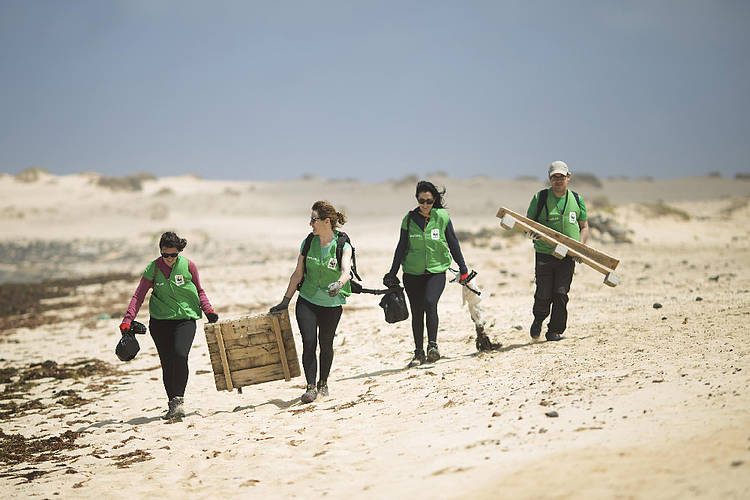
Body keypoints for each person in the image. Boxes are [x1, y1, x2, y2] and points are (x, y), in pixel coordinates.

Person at [120, 231, 218, 419]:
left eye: (174, 255)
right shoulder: (153, 268)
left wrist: (209, 311)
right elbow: (138, 295)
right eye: (166, 255)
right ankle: (173, 404)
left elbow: (199, 290)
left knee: (180, 355)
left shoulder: (188, 266)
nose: (170, 259)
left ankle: (179, 400)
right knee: (167, 363)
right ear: (161, 252)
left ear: (178, 252)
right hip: (160, 322)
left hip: (185, 319)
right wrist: (127, 319)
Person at [270, 201, 352, 404]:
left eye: (313, 220)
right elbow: (298, 273)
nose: (310, 224)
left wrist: (338, 284)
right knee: (309, 343)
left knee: (326, 344)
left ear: (326, 221)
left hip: (331, 305)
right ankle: (311, 387)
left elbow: (346, 272)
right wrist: (285, 301)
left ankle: (323, 382)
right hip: (307, 299)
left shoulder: (342, 245)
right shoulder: (308, 242)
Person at [383, 180, 469, 368]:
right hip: (412, 272)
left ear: (434, 200)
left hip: (436, 270)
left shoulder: (442, 217)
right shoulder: (408, 219)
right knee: (417, 312)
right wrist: (392, 272)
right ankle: (418, 353)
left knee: (430, 303)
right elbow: (401, 247)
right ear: (417, 199)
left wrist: (463, 268)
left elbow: (453, 243)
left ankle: (433, 345)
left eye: (429, 201)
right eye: (422, 200)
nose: (425, 204)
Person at [526, 161, 589, 342]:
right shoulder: (541, 198)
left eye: (561, 176)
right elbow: (528, 223)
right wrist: (531, 233)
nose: (558, 180)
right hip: (545, 254)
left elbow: (584, 227)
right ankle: (538, 319)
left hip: (567, 256)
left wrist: (580, 247)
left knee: (561, 294)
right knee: (544, 293)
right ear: (549, 178)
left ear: (568, 177)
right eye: (554, 177)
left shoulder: (577, 200)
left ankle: (554, 331)